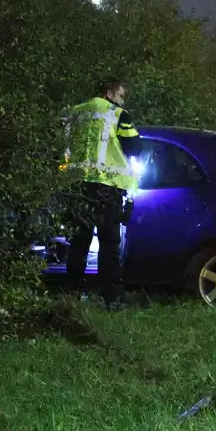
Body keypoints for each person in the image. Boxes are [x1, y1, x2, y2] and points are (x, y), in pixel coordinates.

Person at [61, 77, 140, 308]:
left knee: (78, 242)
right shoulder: (117, 115)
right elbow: (134, 147)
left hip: (77, 186)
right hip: (107, 187)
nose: (122, 101)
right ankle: (111, 298)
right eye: (120, 95)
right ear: (109, 93)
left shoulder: (73, 113)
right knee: (109, 244)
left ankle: (72, 293)